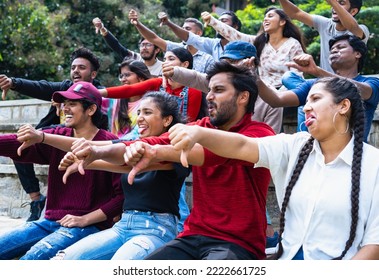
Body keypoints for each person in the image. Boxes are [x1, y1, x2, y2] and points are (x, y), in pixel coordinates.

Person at [168, 77, 379, 260]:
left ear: (343, 106)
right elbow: (242, 145)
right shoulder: (294, 146)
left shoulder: (374, 165)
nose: (305, 107)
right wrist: (199, 134)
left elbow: (374, 246)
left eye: (315, 99)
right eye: (305, 101)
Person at [112, 61, 276, 259]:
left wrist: (157, 150)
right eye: (209, 90)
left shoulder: (260, 133)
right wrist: (94, 150)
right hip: (192, 236)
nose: (209, 96)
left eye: (219, 90)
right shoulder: (202, 126)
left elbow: (216, 152)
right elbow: (157, 140)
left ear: (243, 97)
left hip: (237, 243)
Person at [51, 91, 190, 260]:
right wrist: (85, 161)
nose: (139, 118)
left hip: (156, 229)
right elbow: (116, 161)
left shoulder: (176, 150)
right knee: (62, 259)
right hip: (123, 226)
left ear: (167, 120)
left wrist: (91, 156)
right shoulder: (133, 148)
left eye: (147, 112)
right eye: (138, 112)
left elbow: (141, 161)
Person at [0, 81, 123, 260]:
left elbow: (121, 198)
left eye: (72, 104)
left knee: (33, 258)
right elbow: (20, 143)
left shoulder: (109, 143)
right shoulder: (58, 135)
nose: (65, 108)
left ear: (91, 110)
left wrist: (85, 219)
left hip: (87, 225)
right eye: (64, 103)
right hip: (50, 221)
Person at [0, 47, 107, 222]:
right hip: (50, 138)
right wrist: (13, 82)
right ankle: (36, 200)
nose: (76, 71)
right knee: (21, 146)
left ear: (93, 74)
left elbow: (98, 130)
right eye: (73, 67)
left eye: (81, 67)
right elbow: (41, 86)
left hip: (77, 145)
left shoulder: (99, 96)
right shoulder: (65, 87)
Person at [256, 35, 379, 143]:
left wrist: (317, 71)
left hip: (354, 157)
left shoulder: (371, 82)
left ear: (357, 54)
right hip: (315, 157)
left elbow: (361, 90)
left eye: (340, 47)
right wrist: (253, 76)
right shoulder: (314, 85)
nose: (334, 51)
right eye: (331, 50)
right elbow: (276, 100)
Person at [201, 7, 307, 89]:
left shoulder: (292, 44)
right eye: (264, 17)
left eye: (270, 16)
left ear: (282, 22)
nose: (265, 19)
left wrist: (280, 97)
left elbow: (296, 76)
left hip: (288, 94)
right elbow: (234, 35)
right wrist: (212, 21)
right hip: (265, 93)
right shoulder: (259, 42)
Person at [100, 47, 207, 123]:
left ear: (185, 64)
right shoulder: (158, 82)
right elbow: (130, 90)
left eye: (171, 59)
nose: (165, 62)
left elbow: (188, 123)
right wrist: (97, 92)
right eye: (164, 59)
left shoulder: (194, 90)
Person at [276, 0, 369, 73]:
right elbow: (295, 13)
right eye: (335, 2)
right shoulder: (325, 24)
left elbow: (352, 26)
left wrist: (333, 2)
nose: (334, 7)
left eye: (341, 3)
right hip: (324, 83)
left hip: (347, 84)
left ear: (353, 11)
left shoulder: (361, 30)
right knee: (289, 78)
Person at [128, 9, 215, 74]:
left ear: (199, 33)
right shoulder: (177, 49)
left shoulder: (208, 57)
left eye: (187, 29)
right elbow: (153, 38)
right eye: (182, 28)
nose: (183, 31)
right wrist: (137, 23)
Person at [159, 11, 242, 61]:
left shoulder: (245, 44)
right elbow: (189, 37)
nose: (219, 24)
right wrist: (168, 23)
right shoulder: (213, 44)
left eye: (224, 21)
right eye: (218, 21)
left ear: (235, 26)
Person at [92, 17, 163, 76]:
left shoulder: (162, 68)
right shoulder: (135, 58)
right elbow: (116, 46)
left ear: (157, 50)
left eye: (148, 45)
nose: (144, 48)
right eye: (142, 45)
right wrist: (102, 28)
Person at [109, 58, 152, 140]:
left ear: (141, 78)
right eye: (121, 76)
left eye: (127, 75)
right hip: (116, 148)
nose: (123, 79)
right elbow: (113, 131)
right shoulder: (117, 101)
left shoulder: (151, 101)